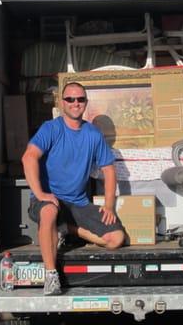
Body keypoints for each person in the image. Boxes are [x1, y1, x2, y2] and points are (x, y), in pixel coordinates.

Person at [22, 82, 125, 296]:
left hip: (77, 203)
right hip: (49, 200)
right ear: (62, 103)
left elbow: (109, 169)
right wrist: (40, 194)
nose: (75, 103)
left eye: (80, 99)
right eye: (70, 99)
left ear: (86, 103)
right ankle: (51, 276)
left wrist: (108, 205)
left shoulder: (93, 134)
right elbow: (29, 157)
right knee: (49, 210)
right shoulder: (51, 129)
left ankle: (65, 228)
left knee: (116, 239)